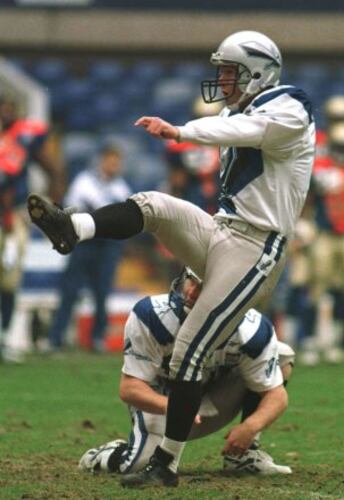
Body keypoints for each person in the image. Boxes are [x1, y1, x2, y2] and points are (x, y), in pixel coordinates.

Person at [27, 30, 315, 487]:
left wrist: (182, 131)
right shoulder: (236, 109)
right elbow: (235, 126)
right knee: (152, 205)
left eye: (229, 71)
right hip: (224, 228)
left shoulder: (291, 106)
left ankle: (167, 465)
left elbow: (250, 131)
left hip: (257, 247)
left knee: (189, 351)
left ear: (258, 72)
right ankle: (74, 228)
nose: (221, 80)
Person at [78, 267, 294, 478]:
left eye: (203, 287)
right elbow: (130, 388)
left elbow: (275, 395)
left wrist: (251, 426)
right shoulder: (154, 317)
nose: (190, 292)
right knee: (138, 465)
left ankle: (244, 455)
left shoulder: (252, 330)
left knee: (281, 356)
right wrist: (176, 407)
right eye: (191, 280)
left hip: (212, 397)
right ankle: (106, 455)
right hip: (164, 401)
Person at [47, 144, 132, 352]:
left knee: (102, 292)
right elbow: (71, 206)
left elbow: (127, 216)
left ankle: (97, 338)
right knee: (70, 290)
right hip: (84, 242)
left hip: (107, 244)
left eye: (116, 162)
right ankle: (55, 338)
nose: (114, 166)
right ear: (102, 160)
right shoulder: (84, 182)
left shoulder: (121, 187)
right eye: (110, 160)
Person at [0, 91, 65, 362]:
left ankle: (3, 337)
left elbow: (53, 168)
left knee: (9, 277)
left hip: (12, 218)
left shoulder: (24, 136)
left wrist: (54, 206)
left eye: (8, 108)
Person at [300, 122, 344, 364]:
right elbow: (308, 198)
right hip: (325, 233)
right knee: (318, 286)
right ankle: (314, 339)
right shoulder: (321, 167)